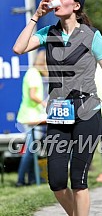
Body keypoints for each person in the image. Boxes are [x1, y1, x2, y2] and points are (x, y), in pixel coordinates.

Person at [13, 0, 102, 216]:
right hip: (58, 113)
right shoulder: (48, 33)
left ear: (76, 5)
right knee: (56, 182)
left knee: (78, 179)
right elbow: (18, 49)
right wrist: (36, 16)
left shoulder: (92, 36)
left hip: (88, 112)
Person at [15, 50, 47, 187]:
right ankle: (21, 180)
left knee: (33, 149)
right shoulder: (33, 74)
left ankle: (33, 179)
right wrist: (45, 103)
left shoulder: (33, 73)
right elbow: (33, 95)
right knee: (30, 151)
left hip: (32, 116)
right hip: (30, 116)